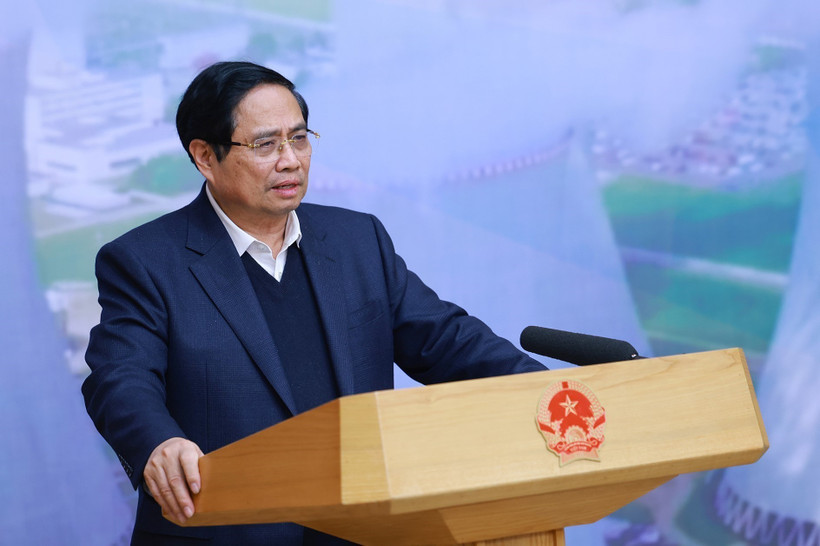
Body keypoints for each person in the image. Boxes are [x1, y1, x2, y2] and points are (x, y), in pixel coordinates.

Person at [82, 61, 546, 545]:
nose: (290, 160)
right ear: (204, 156)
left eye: (299, 139)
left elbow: (447, 340)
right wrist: (158, 442)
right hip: (223, 533)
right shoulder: (145, 262)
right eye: (265, 145)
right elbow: (120, 378)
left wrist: (549, 390)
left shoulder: (356, 240)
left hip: (360, 530)